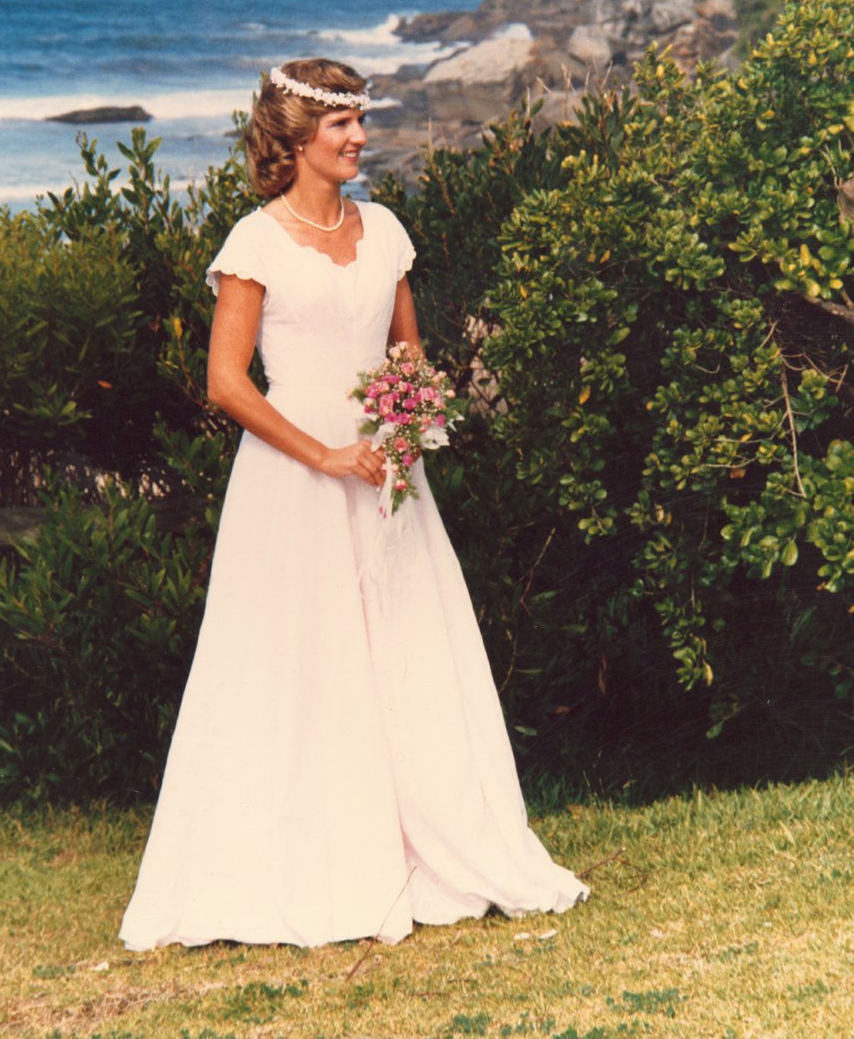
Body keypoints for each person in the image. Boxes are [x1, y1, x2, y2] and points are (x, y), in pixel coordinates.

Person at [118, 58, 588, 951]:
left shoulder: (386, 230)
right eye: (342, 127)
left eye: (361, 122)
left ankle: (427, 845)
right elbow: (226, 381)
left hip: (385, 473)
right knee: (303, 658)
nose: (360, 138)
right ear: (294, 141)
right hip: (294, 477)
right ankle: (302, 857)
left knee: (402, 648)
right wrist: (327, 451)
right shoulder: (253, 243)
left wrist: (406, 422)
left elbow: (406, 352)